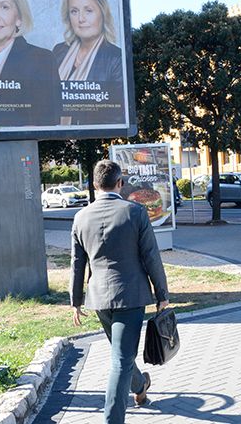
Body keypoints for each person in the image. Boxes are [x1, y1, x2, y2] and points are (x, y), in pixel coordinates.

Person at [70, 160, 169, 423]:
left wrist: (75, 301)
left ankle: (140, 387)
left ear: (94, 184)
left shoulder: (80, 217)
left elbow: (77, 263)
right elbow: (151, 257)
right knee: (121, 360)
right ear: (120, 184)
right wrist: (162, 295)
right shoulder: (135, 212)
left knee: (121, 355)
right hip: (131, 296)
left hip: (98, 298)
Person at [53, 0, 124, 125]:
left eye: (88, 11)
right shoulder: (59, 51)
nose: (81, 19)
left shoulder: (116, 58)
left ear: (102, 14)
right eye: (74, 11)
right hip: (54, 138)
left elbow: (117, 116)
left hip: (91, 140)